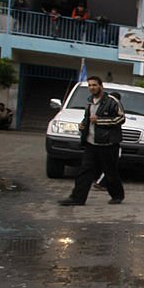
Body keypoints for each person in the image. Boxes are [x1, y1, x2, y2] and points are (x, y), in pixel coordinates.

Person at [58, 76, 125, 205]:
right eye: (89, 85)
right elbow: (88, 118)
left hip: (108, 144)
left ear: (101, 86)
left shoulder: (112, 101)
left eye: (94, 85)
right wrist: (83, 125)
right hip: (91, 143)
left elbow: (120, 119)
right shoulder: (89, 102)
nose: (92, 88)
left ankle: (117, 195)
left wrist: (100, 121)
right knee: (85, 171)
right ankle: (77, 198)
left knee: (110, 171)